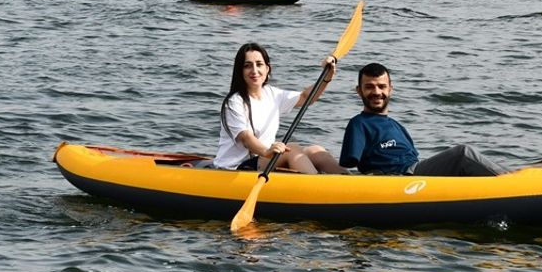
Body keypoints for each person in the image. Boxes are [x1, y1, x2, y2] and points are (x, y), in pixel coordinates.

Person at [340, 62, 509, 176]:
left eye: (382, 86)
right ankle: (512, 182)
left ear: (390, 89)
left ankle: (512, 180)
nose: (376, 92)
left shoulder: (396, 126)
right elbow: (351, 164)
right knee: (462, 154)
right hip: (401, 177)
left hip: (417, 174)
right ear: (359, 91)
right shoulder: (359, 123)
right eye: (369, 87)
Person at [213, 42, 348, 174]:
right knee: (292, 149)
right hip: (234, 168)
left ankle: (348, 181)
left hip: (264, 159)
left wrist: (326, 78)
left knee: (315, 151)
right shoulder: (234, 102)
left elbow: (307, 97)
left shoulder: (272, 94)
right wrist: (267, 151)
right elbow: (246, 139)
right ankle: (317, 188)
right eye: (247, 66)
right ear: (240, 71)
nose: (254, 70)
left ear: (267, 68)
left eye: (259, 64)